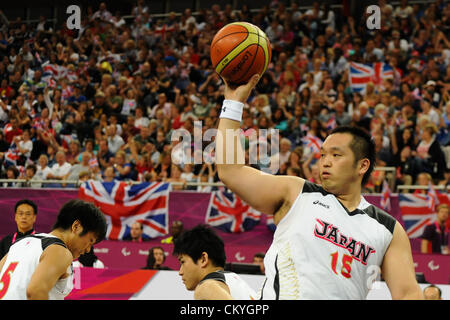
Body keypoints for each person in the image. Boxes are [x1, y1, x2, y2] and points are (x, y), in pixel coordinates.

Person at [215, 74, 423, 300]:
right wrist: (233, 103)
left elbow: (408, 294)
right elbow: (230, 170)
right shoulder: (296, 192)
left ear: (362, 165)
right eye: (323, 154)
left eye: (336, 155)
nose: (324, 161)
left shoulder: (388, 229)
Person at [0, 199, 107, 300]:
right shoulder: (60, 251)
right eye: (90, 241)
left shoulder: (19, 243)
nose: (88, 249)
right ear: (76, 226)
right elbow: (36, 291)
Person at [173, 224, 257, 300]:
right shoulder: (234, 278)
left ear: (203, 259)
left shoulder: (206, 287)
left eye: (183, 262)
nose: (180, 272)